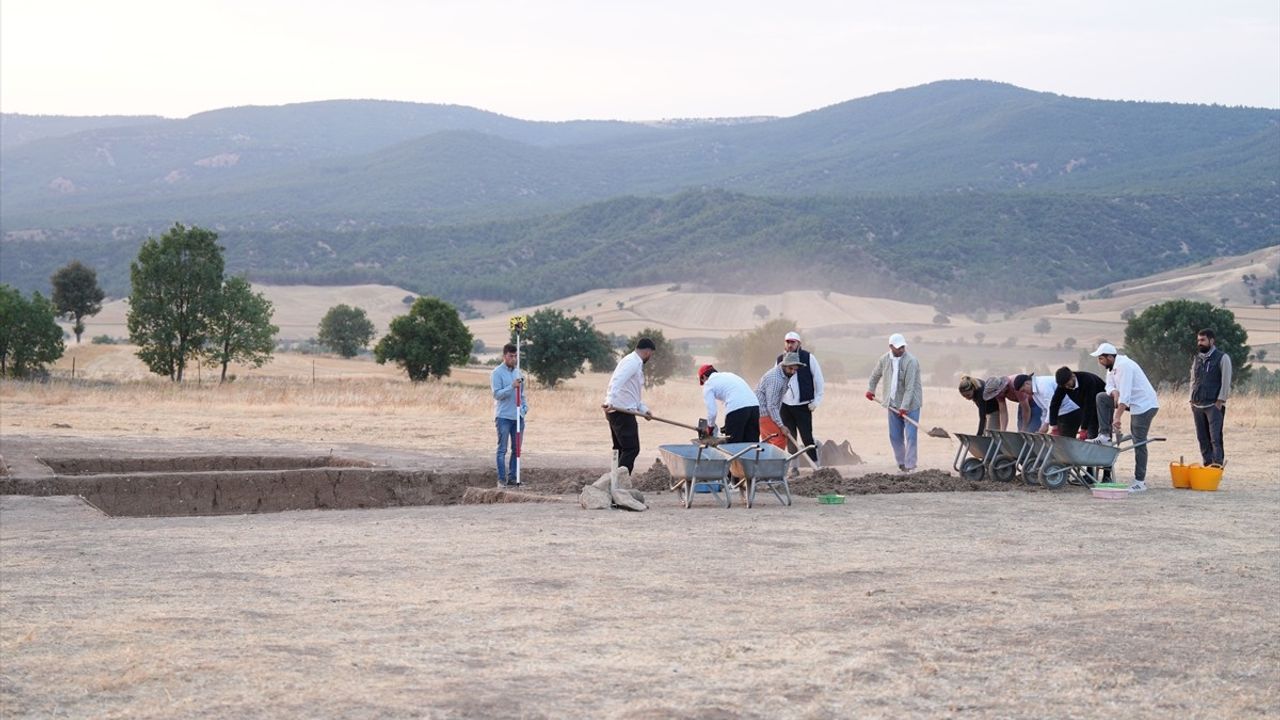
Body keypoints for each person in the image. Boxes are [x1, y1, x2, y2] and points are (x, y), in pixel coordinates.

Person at [1090, 342, 1160, 492]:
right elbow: (1108, 386)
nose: (1099, 362)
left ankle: (1139, 481)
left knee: (1139, 440)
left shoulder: (1125, 366)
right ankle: (1104, 435)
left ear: (1110, 357)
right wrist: (1113, 391)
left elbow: (1126, 395)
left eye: (1101, 358)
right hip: (1132, 403)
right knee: (1102, 397)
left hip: (1145, 405)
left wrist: (1117, 417)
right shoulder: (1111, 368)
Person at [865, 333, 922, 472]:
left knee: (911, 436)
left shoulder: (911, 361)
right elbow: (875, 375)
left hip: (911, 405)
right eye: (898, 347)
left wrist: (904, 407)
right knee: (895, 436)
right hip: (892, 404)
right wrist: (870, 389)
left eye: (903, 347)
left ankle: (911, 466)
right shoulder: (884, 359)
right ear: (891, 347)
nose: (901, 349)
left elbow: (910, 387)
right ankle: (901, 464)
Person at [602, 338, 656, 475]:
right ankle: (620, 483)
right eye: (651, 354)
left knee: (620, 449)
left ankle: (614, 483)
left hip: (621, 410)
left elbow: (632, 394)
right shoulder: (632, 362)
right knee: (631, 449)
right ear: (647, 352)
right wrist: (609, 401)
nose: (650, 357)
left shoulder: (634, 362)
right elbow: (616, 381)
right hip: (621, 412)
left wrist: (644, 410)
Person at [777, 331, 823, 466]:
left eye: (793, 342)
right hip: (785, 405)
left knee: (807, 437)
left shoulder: (809, 358)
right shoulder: (780, 360)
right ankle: (794, 468)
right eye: (788, 342)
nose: (790, 345)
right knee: (790, 438)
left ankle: (816, 465)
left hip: (803, 405)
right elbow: (775, 380)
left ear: (799, 343)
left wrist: (816, 401)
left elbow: (819, 380)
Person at [1190, 328, 1232, 467]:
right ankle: (1207, 465)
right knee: (1202, 438)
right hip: (1197, 405)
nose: (1199, 343)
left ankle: (1217, 465)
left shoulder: (1222, 357)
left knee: (1215, 438)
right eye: (1198, 340)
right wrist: (1191, 399)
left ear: (1211, 341)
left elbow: (1226, 380)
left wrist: (1220, 401)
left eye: (1203, 340)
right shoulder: (1197, 359)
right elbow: (1193, 379)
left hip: (1214, 405)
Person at [491, 343, 529, 487]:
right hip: (504, 417)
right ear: (504, 356)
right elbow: (497, 394)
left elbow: (522, 395)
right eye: (511, 356)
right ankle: (501, 480)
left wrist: (524, 409)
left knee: (517, 449)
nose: (514, 359)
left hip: (518, 417)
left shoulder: (519, 373)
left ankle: (513, 478)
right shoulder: (497, 373)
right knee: (502, 449)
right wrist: (511, 386)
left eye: (515, 356)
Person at [756, 352, 806, 453]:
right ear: (784, 365)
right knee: (780, 439)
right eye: (790, 369)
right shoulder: (776, 380)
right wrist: (781, 426)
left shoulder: (783, 375)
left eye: (795, 370)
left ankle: (765, 465)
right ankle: (774, 466)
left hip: (765, 413)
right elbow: (772, 406)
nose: (792, 372)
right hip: (764, 413)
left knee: (769, 442)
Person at [699, 364, 760, 443]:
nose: (704, 383)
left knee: (733, 445)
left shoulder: (708, 384)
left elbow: (712, 412)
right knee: (752, 444)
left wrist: (710, 428)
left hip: (737, 409)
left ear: (703, 377)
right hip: (755, 407)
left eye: (702, 381)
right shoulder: (729, 375)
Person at [1050, 367, 1106, 439]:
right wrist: (1054, 425)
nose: (1066, 387)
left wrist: (1083, 428)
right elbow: (1055, 403)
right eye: (1064, 386)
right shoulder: (1064, 385)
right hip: (1087, 409)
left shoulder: (1087, 380)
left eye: (1067, 384)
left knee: (1102, 434)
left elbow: (1088, 405)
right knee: (1091, 436)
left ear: (1072, 376)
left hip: (1102, 405)